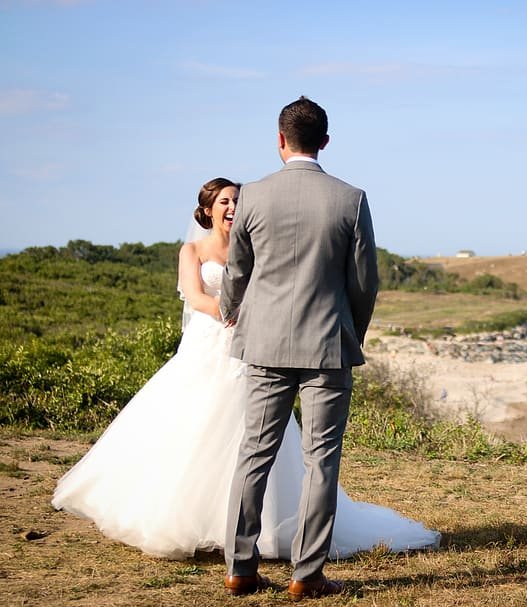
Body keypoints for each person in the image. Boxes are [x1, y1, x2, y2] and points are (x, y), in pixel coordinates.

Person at [51, 177, 439, 566]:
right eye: (224, 201)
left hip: (258, 345)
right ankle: (192, 518)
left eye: (237, 199)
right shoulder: (193, 250)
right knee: (198, 429)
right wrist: (234, 313)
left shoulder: (252, 241)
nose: (233, 206)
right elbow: (196, 295)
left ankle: (245, 538)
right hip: (211, 344)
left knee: (253, 438)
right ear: (207, 210)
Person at [220, 95, 381, 601]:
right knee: (321, 461)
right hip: (327, 344)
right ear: (326, 142)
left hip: (264, 343)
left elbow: (236, 272)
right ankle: (306, 574)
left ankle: (239, 567)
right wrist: (351, 329)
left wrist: (233, 312)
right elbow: (365, 282)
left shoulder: (253, 196)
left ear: (280, 138)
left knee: (254, 455)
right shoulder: (350, 198)